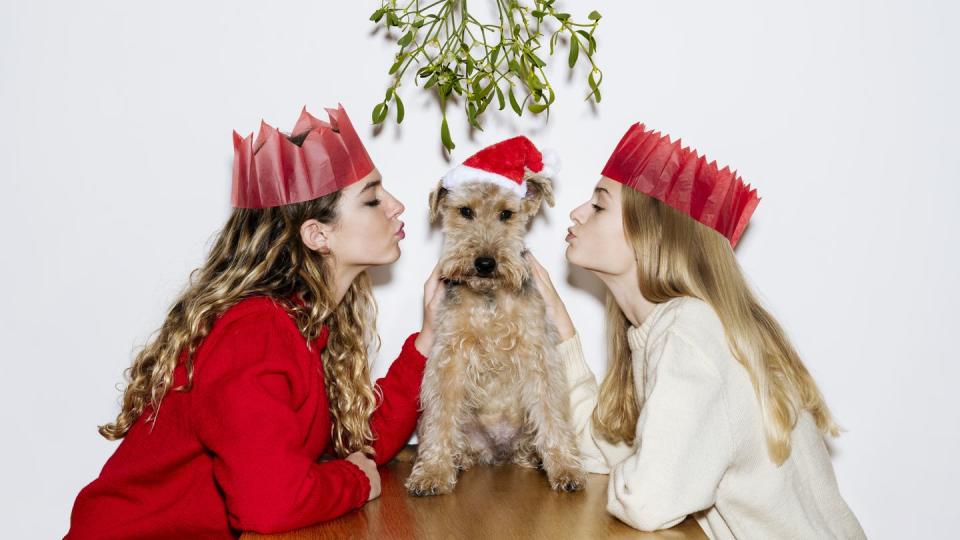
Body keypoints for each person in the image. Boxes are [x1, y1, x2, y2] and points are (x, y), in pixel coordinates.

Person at [66, 105, 443, 538]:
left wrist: (429, 340)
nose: (396, 206)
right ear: (317, 235)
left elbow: (358, 443)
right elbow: (270, 504)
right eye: (373, 198)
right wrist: (355, 482)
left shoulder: (303, 320)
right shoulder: (255, 334)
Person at [526, 122, 865, 539]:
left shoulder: (690, 331)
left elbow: (646, 498)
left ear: (651, 233)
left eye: (599, 205)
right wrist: (560, 330)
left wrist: (639, 467)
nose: (577, 213)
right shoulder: (666, 330)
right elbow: (599, 452)